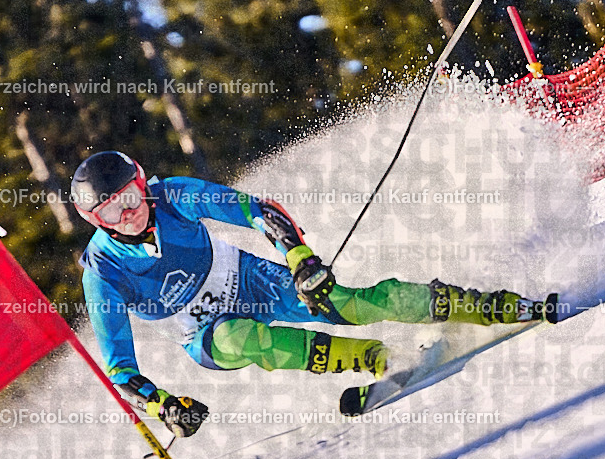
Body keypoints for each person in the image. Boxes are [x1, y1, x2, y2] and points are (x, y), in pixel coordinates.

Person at [74, 151, 550, 438]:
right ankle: (379, 358)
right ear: (98, 221)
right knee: (245, 340)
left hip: (248, 278)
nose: (129, 214)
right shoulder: (102, 272)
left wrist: (300, 257)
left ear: (142, 185)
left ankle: (482, 306)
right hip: (202, 331)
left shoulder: (172, 195)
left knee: (347, 303)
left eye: (132, 198)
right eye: (113, 212)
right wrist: (165, 405)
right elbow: (120, 370)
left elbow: (254, 209)